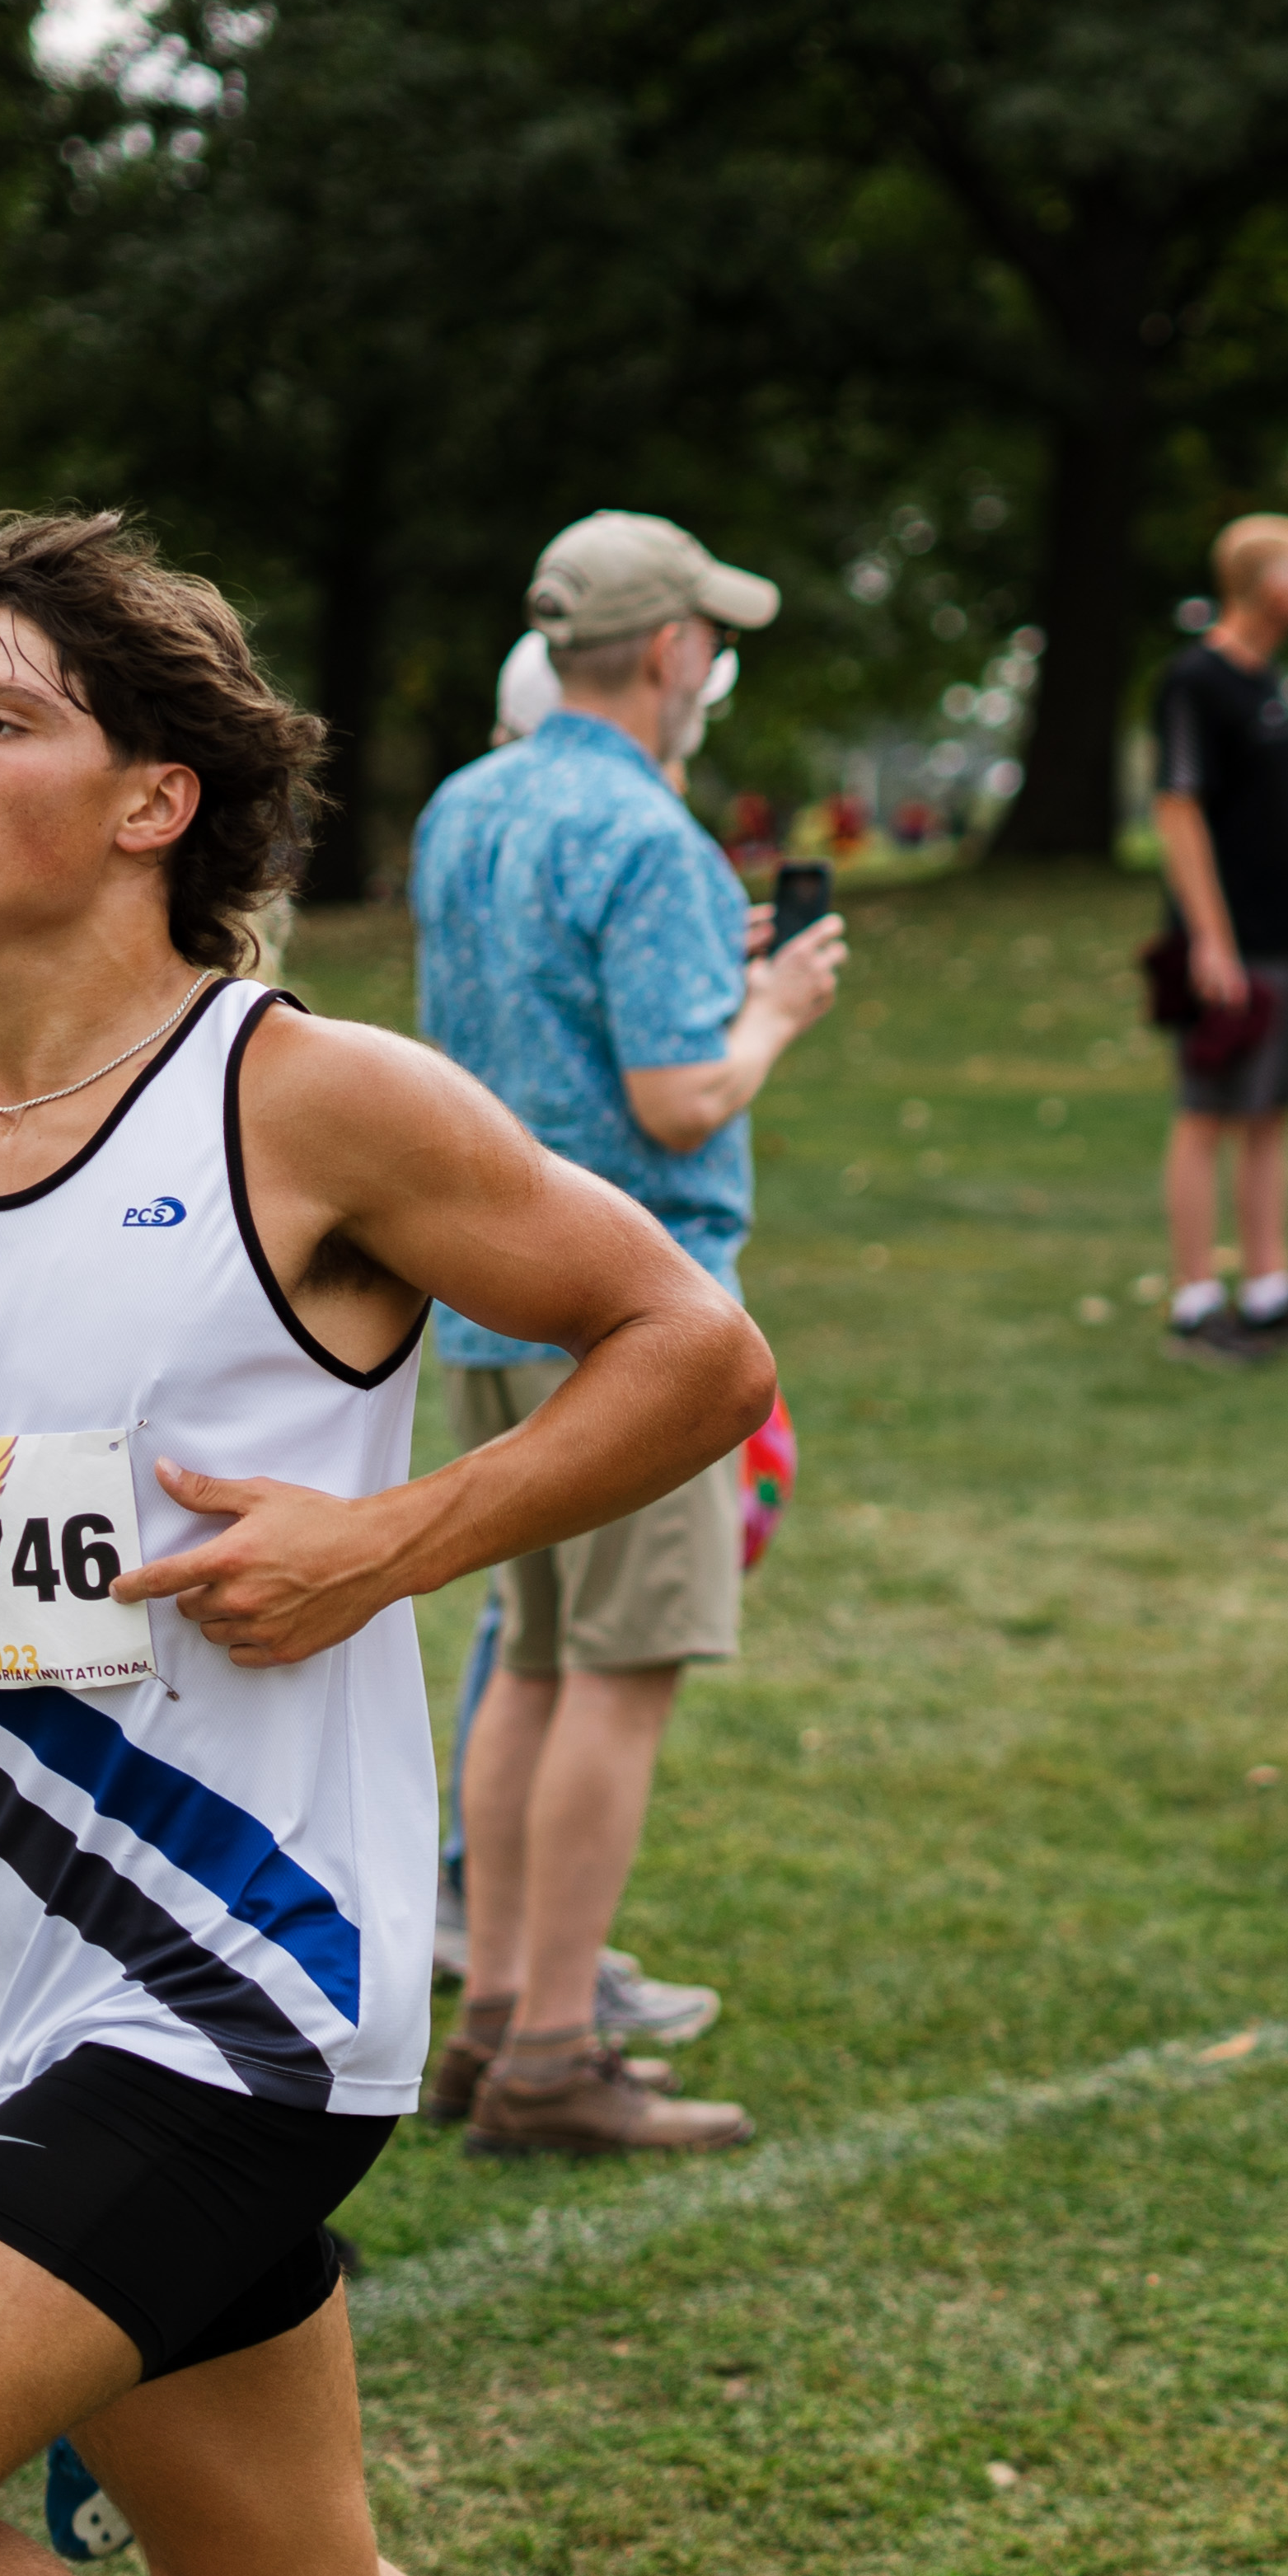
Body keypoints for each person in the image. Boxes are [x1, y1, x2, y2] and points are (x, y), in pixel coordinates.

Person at [0, 509, 775, 2576]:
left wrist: (394, 1536)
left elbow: (693, 1343)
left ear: (152, 804)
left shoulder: (304, 1099)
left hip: (253, 1998)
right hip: (27, 2000)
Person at [411, 509, 836, 2153]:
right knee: (625, 1668)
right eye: (710, 640)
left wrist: (700, 978)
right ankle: (555, 2057)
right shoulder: (653, 833)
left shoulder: (469, 804)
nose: (713, 664)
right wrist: (775, 1013)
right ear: (668, 652)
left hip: (489, 1290)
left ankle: (501, 2013)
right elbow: (679, 1098)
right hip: (639, 1307)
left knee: (533, 1651)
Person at [1154, 514, 1288, 1362]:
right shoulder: (1192, 682)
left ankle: (1267, 1291)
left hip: (1282, 944)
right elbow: (1178, 810)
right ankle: (1197, 1302)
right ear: (1270, 583)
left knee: (1270, 1114)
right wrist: (1209, 940)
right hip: (1225, 951)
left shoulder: (1268, 683)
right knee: (1208, 1116)